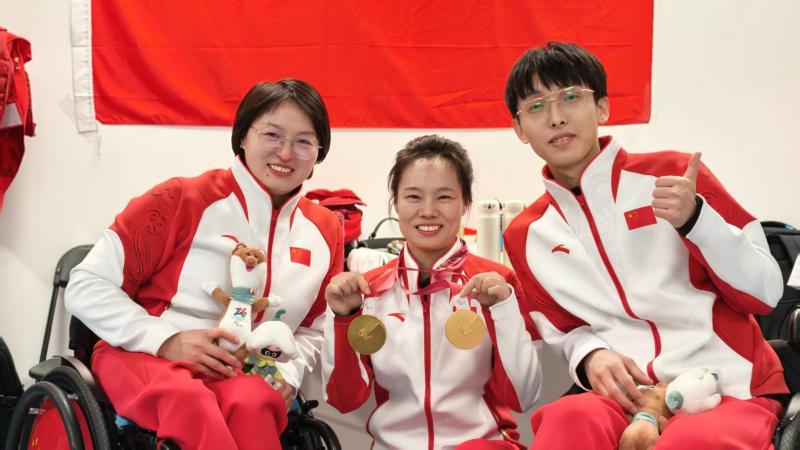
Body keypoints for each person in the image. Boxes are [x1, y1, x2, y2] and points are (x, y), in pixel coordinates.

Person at [502, 42, 787, 449]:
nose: (556, 117)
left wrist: (697, 221)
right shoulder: (525, 233)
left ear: (602, 108)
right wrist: (590, 354)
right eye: (535, 106)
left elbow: (765, 292)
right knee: (566, 421)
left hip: (721, 384)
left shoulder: (674, 176)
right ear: (519, 129)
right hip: (623, 395)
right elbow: (561, 329)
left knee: (689, 444)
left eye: (571, 97)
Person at [64, 79, 344, 450]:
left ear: (319, 152)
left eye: (304, 141)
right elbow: (85, 284)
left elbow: (314, 329)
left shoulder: (325, 229)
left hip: (239, 371)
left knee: (256, 403)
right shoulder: (182, 198)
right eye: (272, 135)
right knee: (189, 401)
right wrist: (166, 341)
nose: (286, 152)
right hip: (141, 355)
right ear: (243, 136)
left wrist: (288, 371)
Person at [322, 135, 542, 450]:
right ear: (396, 203)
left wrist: (502, 309)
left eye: (444, 197)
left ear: (465, 204)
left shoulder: (497, 285)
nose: (428, 211)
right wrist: (344, 318)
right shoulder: (368, 290)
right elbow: (343, 400)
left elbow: (524, 396)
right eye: (413, 196)